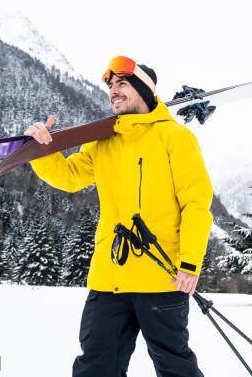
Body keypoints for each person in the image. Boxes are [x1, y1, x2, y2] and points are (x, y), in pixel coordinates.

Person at [24, 55, 214, 377]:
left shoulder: (175, 138)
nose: (113, 91)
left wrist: (190, 263)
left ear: (144, 89)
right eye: (110, 86)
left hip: (162, 277)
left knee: (175, 368)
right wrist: (43, 150)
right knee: (95, 367)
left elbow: (196, 204)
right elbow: (70, 177)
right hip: (109, 278)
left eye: (122, 83)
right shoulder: (103, 142)